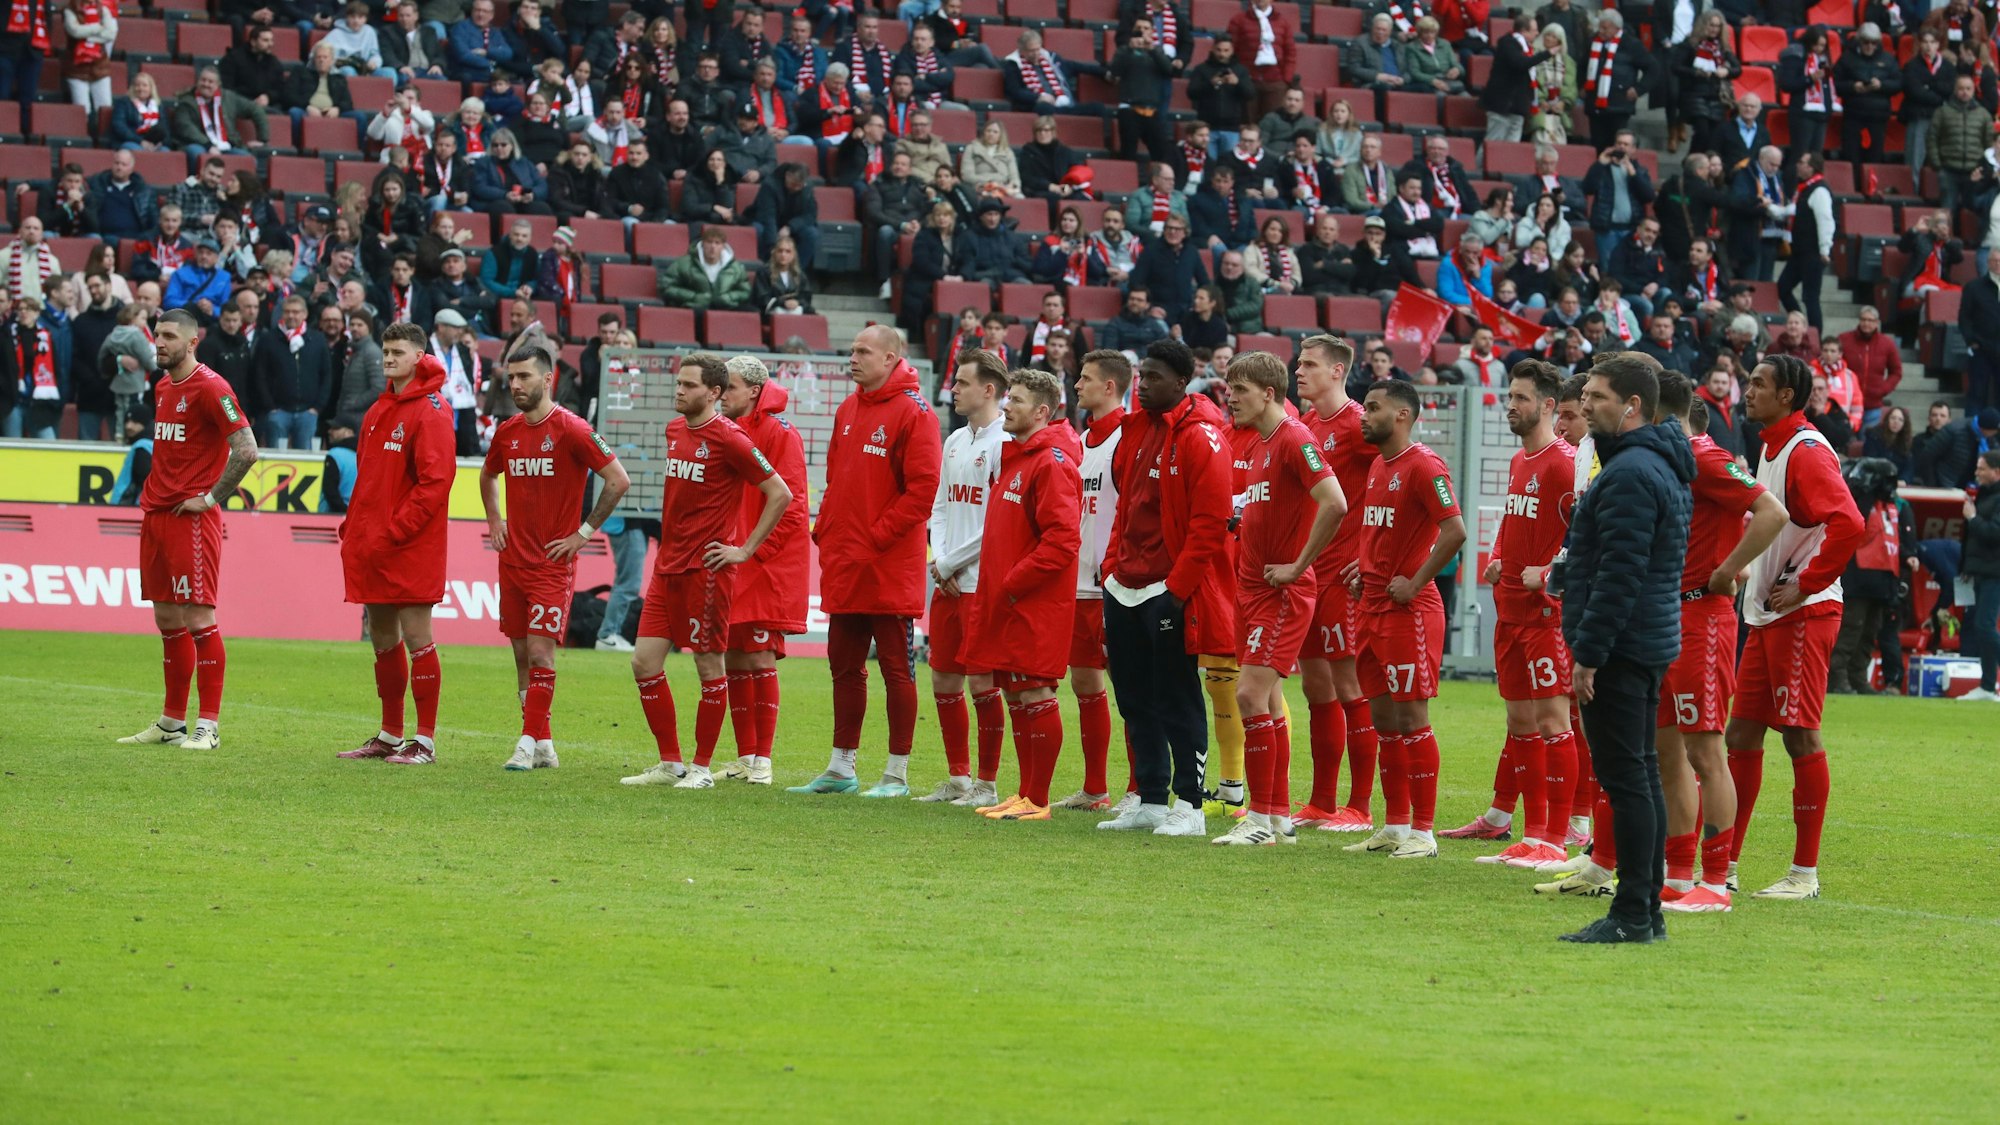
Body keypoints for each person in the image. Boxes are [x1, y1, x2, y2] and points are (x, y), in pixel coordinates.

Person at [1617, 373, 1786, 917]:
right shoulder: (1666, 460)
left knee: (1706, 751)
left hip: (1702, 617)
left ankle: (1717, 881)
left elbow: (1772, 513)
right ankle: (1679, 872)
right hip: (1665, 616)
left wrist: (1729, 570)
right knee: (1668, 751)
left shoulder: (1707, 458)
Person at [1551, 351, 1692, 944]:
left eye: (1599, 397)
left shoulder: (1632, 473)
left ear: (1633, 406)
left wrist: (1589, 653)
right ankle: (1646, 909)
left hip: (1623, 644)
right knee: (1640, 776)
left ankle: (1634, 912)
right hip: (1645, 639)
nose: (1586, 404)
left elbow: (1619, 575)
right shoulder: (1653, 464)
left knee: (1627, 779)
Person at [1726, 355, 1867, 901]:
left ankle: (1803, 874)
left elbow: (1849, 523)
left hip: (1803, 614)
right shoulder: (1771, 445)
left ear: (1788, 395)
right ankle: (1725, 864)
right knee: (1741, 735)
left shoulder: (1805, 451)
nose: (1748, 390)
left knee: (1800, 734)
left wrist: (1806, 583)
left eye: (1759, 384)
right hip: (1768, 614)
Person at [617, 352, 793, 789]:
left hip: (707, 571)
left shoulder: (731, 438)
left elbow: (780, 493)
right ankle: (671, 762)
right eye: (678, 383)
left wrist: (744, 550)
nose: (680, 391)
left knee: (709, 667)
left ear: (713, 393)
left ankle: (700, 769)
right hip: (667, 567)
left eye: (689, 385)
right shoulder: (675, 429)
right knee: (643, 662)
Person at [790, 326, 942, 794]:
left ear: (891, 358)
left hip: (887, 564)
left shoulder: (917, 414)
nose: (851, 358)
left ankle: (896, 773)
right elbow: (836, 478)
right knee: (843, 665)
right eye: (852, 350)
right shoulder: (849, 407)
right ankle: (841, 768)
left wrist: (876, 536)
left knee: (896, 666)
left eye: (862, 352)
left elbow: (922, 492)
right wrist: (829, 527)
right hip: (846, 559)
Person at [1444, 362, 1581, 864]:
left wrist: (1546, 575)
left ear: (1547, 405)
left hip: (1547, 616)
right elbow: (1511, 516)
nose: (1511, 406)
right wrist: (1498, 554)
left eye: (1521, 398)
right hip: (1510, 612)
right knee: (1521, 722)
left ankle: (1555, 837)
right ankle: (1535, 833)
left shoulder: (1564, 463)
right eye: (1510, 397)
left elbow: (1587, 537)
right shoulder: (1522, 461)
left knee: (1553, 720)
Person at [1096, 339, 1231, 835]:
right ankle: (1150, 798)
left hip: (1167, 590)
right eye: (1140, 376)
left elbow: (1210, 522)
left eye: (1153, 377)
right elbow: (1126, 509)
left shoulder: (1201, 436)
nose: (1142, 384)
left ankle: (1190, 806)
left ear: (1181, 381)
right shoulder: (1135, 430)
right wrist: (1112, 567)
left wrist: (1177, 588)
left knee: (1177, 695)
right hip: (1124, 584)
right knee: (1133, 695)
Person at [1211, 351, 1345, 845]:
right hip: (1251, 589)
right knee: (1264, 696)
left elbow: (1336, 502)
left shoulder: (1294, 437)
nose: (1231, 398)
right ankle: (1278, 818)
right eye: (1229, 388)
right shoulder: (1263, 443)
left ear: (1269, 393)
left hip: (1281, 592)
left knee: (1247, 693)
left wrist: (1298, 565)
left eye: (1239, 390)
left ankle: (1262, 821)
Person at [478, 345, 629, 771]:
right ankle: (543, 744)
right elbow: (488, 474)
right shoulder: (507, 432)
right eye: (511, 378)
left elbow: (618, 480)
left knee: (543, 655)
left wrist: (582, 534)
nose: (515, 385)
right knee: (523, 657)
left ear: (548, 380)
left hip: (551, 565)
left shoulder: (572, 429)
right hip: (513, 562)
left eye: (524, 377)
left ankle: (526, 742)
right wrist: (495, 520)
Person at [113, 310, 257, 752]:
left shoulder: (213, 387)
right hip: (157, 514)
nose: (159, 343)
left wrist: (211, 498)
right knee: (167, 620)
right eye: (157, 335)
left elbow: (247, 450)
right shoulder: (162, 387)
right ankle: (172, 721)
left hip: (191, 520)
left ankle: (208, 726)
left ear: (192, 342)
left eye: (170, 336)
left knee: (199, 618)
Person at [1340, 379, 1467, 861]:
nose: (1363, 416)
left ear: (1402, 415)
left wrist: (1414, 581)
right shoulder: (1377, 465)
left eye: (1372, 408)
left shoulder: (1424, 465)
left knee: (1412, 717)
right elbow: (1381, 531)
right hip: (1371, 605)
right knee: (1383, 719)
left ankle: (1424, 831)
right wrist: (1362, 566)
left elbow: (1454, 530)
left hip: (1407, 611)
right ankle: (1394, 826)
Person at [335, 322, 454, 765]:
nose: (388, 358)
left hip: (410, 546)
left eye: (397, 351)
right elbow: (369, 479)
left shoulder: (432, 410)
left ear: (420, 357)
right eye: (385, 350)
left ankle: (423, 741)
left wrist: (395, 531)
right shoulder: (379, 409)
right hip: (376, 545)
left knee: (419, 639)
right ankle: (389, 733)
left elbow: (436, 482)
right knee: (383, 641)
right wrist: (356, 527)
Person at [969, 368, 1083, 821]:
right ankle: (1024, 793)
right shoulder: (1016, 458)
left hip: (1034, 603)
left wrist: (1013, 582)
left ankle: (1039, 798)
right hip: (1009, 602)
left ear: (1040, 411)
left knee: (1035, 692)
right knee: (1016, 694)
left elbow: (1062, 540)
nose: (1006, 407)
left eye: (1014, 400)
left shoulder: (1051, 462)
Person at [1287, 337, 1382, 832]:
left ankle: (1360, 807)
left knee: (1350, 686)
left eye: (1309, 364)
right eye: (1298, 363)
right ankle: (1323, 800)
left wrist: (1369, 553)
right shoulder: (1306, 425)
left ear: (1338, 370)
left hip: (1345, 574)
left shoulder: (1360, 422)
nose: (1298, 371)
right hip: (1309, 573)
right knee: (1316, 688)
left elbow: (1399, 478)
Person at [913, 349, 1010, 806]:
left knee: (982, 683)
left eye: (962, 383)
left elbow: (997, 522)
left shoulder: (1004, 443)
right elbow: (941, 506)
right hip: (948, 575)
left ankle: (988, 785)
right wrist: (939, 559)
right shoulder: (953, 440)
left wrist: (950, 564)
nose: (953, 390)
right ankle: (959, 778)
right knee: (943, 679)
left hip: (978, 582)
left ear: (988, 390)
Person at [711, 355, 810, 784]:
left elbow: (793, 506)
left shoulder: (779, 433)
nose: (721, 395)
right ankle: (744, 756)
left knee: (759, 654)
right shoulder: (727, 431)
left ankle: (764, 760)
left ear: (753, 391)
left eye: (728, 388)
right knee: (733, 654)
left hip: (761, 564)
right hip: (734, 559)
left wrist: (754, 553)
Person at [1051, 349, 1127, 810]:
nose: (1077, 386)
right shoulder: (1083, 440)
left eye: (1085, 378)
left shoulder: (1127, 439)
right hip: (1078, 583)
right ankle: (1096, 789)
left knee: (1130, 688)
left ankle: (1141, 789)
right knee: (1084, 684)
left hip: (1114, 585)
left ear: (1110, 387)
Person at [1776, 151, 1833, 335]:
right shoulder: (1804, 189)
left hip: (1813, 253)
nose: (1798, 166)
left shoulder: (1819, 190)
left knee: (1810, 297)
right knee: (1783, 287)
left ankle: (1816, 337)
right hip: (1799, 252)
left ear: (1811, 167)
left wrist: (1825, 249)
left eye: (1802, 162)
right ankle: (1800, 324)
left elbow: (1826, 220)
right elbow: (1790, 210)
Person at [1961, 452, 2000, 701]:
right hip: (1981, 570)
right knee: (1981, 626)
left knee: (1985, 626)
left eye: (1982, 468)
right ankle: (1987, 687)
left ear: (1997, 471)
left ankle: (1988, 686)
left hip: (1994, 572)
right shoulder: (1986, 495)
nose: (1977, 473)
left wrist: (1972, 518)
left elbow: (1995, 533)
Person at [1482, 13, 1549, 142]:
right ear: (1524, 31)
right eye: (1534, 30)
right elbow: (1521, 63)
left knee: (1512, 148)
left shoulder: (1527, 48)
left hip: (1518, 106)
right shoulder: (1508, 43)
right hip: (1501, 105)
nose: (1537, 33)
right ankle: (1477, 163)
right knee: (1493, 143)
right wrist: (1547, 54)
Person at [1226, 0, 1295, 118]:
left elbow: (1290, 52)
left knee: (1272, 123)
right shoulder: (1238, 20)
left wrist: (1286, 80)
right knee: (1247, 122)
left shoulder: (1283, 22)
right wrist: (1239, 76)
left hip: (1275, 82)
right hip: (1247, 81)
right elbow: (1230, 50)